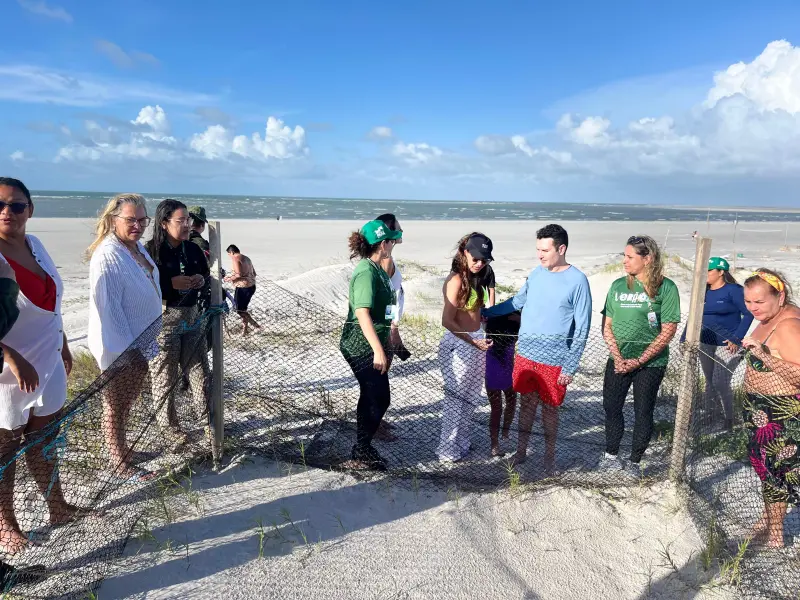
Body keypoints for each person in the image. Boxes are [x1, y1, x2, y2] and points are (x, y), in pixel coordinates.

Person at [0, 177, 79, 555]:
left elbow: (52, 302)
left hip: (47, 361)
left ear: (30, 210)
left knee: (44, 441)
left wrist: (62, 342)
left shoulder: (37, 245)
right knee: (4, 452)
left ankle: (57, 506)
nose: (7, 212)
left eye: (16, 205)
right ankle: (6, 525)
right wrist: (11, 357)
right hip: (7, 374)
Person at [482, 224, 592, 470]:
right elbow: (518, 301)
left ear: (561, 249)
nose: (540, 255)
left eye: (545, 250)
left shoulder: (578, 281)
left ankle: (549, 458)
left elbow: (583, 327)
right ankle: (521, 453)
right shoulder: (536, 273)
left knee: (550, 412)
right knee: (526, 406)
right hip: (526, 355)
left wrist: (570, 366)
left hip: (555, 361)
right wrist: (488, 312)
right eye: (538, 249)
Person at [87, 193, 163, 479]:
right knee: (115, 403)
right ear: (113, 220)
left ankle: (124, 448)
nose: (138, 225)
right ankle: (119, 461)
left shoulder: (135, 248)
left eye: (143, 219)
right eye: (131, 219)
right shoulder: (108, 255)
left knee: (127, 401)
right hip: (122, 347)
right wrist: (126, 352)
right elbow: (108, 308)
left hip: (142, 342)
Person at [601, 235, 681, 476]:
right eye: (624, 256)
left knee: (643, 410)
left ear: (647, 259)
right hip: (619, 358)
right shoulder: (617, 286)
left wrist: (639, 360)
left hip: (651, 363)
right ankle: (610, 455)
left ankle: (635, 461)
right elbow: (607, 325)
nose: (624, 261)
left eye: (629, 257)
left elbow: (668, 330)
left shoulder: (666, 288)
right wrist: (617, 356)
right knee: (612, 407)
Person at [740, 269, 800, 548]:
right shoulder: (767, 318)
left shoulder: (788, 325)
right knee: (768, 471)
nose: (753, 308)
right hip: (762, 411)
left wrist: (764, 357)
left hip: (781, 414)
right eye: (748, 301)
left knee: (777, 473)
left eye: (759, 302)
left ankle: (774, 535)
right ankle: (768, 521)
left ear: (780, 296)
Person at [146, 199, 211, 448]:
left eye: (189, 221)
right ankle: (171, 431)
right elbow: (142, 286)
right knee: (165, 377)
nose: (187, 225)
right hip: (165, 320)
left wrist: (199, 279)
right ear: (164, 223)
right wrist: (170, 285)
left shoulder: (192, 248)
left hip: (193, 316)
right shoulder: (150, 251)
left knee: (200, 373)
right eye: (181, 221)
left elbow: (205, 274)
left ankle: (208, 422)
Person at [340, 220, 403, 470]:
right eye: (391, 239)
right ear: (383, 244)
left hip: (372, 341)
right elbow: (363, 312)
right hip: (360, 345)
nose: (394, 243)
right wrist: (378, 349)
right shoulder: (366, 271)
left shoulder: (376, 268)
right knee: (378, 397)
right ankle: (361, 449)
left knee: (374, 395)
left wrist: (389, 339)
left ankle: (362, 447)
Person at [438, 233, 495, 462]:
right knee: (455, 399)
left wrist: (481, 322)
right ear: (465, 252)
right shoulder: (456, 280)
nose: (480, 263)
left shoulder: (478, 277)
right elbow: (447, 320)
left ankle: (462, 442)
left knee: (471, 397)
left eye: (485, 259)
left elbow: (475, 311)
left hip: (476, 341)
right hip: (459, 343)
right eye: (476, 258)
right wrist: (472, 341)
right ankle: (446, 449)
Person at [686, 257, 753, 431]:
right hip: (705, 341)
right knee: (709, 381)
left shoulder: (734, 290)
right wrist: (684, 339)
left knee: (720, 382)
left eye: (709, 270)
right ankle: (711, 414)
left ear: (721, 272)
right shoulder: (702, 290)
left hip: (727, 343)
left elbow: (748, 314)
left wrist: (737, 339)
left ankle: (729, 418)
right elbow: (694, 315)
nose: (705, 274)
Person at [374, 213, 408, 442]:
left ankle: (378, 419)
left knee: (381, 377)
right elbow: (388, 298)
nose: (402, 231)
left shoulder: (387, 256)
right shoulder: (385, 260)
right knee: (379, 377)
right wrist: (393, 327)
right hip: (386, 326)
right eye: (398, 227)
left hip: (387, 323)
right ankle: (374, 424)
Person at [484, 311, 520, 457]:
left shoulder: (488, 340)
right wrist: (519, 318)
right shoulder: (512, 338)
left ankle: (494, 445)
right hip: (507, 374)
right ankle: (505, 431)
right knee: (511, 402)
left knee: (496, 409)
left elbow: (487, 320)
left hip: (492, 375)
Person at [224, 244, 261, 335]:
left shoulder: (235, 258)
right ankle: (245, 330)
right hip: (251, 286)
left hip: (243, 287)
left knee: (239, 310)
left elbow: (238, 274)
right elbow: (254, 273)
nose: (229, 257)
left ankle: (257, 326)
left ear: (232, 252)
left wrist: (228, 278)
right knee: (243, 309)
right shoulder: (247, 258)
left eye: (229, 254)